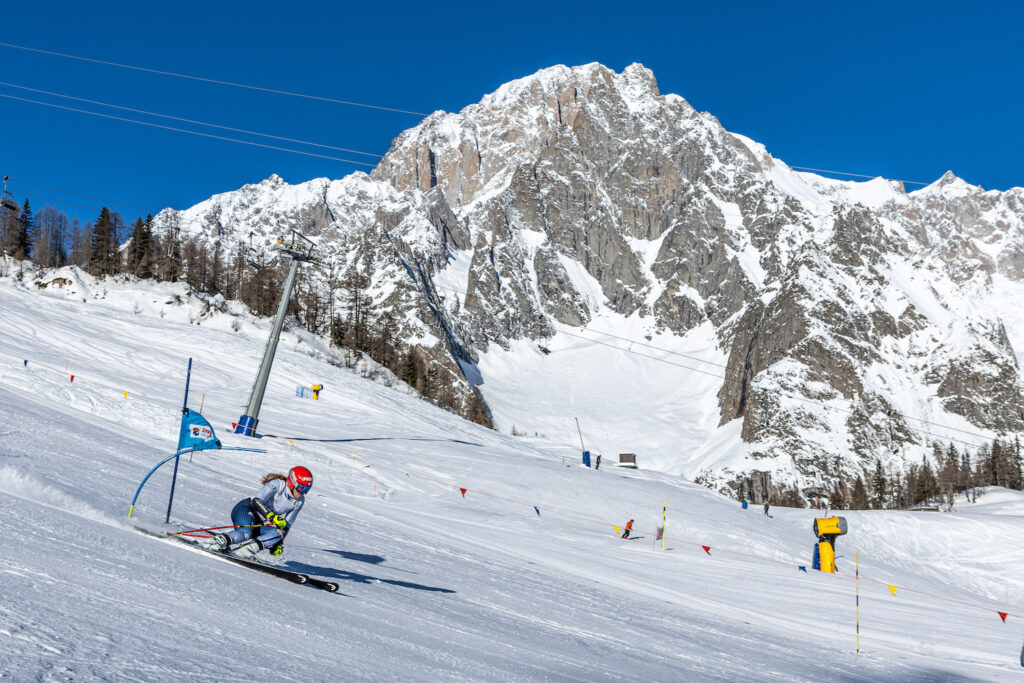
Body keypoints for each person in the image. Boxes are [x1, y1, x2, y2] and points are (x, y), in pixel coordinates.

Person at [207, 466, 313, 558]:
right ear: (291, 483)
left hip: (258, 521)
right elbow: (256, 500)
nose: (303, 493)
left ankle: (244, 551)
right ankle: (214, 542)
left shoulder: (299, 502)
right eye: (301, 488)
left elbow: (286, 525)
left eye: (307, 490)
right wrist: (272, 517)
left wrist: (278, 543)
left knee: (278, 533)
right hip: (246, 509)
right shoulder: (278, 485)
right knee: (246, 533)